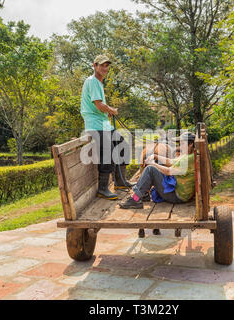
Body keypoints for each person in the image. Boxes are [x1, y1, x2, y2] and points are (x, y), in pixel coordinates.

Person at [80, 55, 132, 200]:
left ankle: (120, 182)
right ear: (94, 65)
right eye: (102, 65)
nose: (105, 68)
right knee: (107, 154)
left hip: (103, 124)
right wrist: (111, 110)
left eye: (107, 65)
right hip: (95, 125)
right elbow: (99, 105)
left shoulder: (98, 83)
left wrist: (106, 112)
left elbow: (98, 106)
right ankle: (102, 189)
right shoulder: (93, 81)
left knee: (123, 146)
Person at [119, 131, 196, 209]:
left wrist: (153, 164)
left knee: (150, 169)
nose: (180, 146)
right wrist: (155, 156)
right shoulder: (189, 156)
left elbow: (169, 171)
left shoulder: (188, 159)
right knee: (157, 167)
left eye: (183, 144)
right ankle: (142, 194)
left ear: (191, 144)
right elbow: (171, 162)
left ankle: (135, 199)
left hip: (177, 196)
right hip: (178, 191)